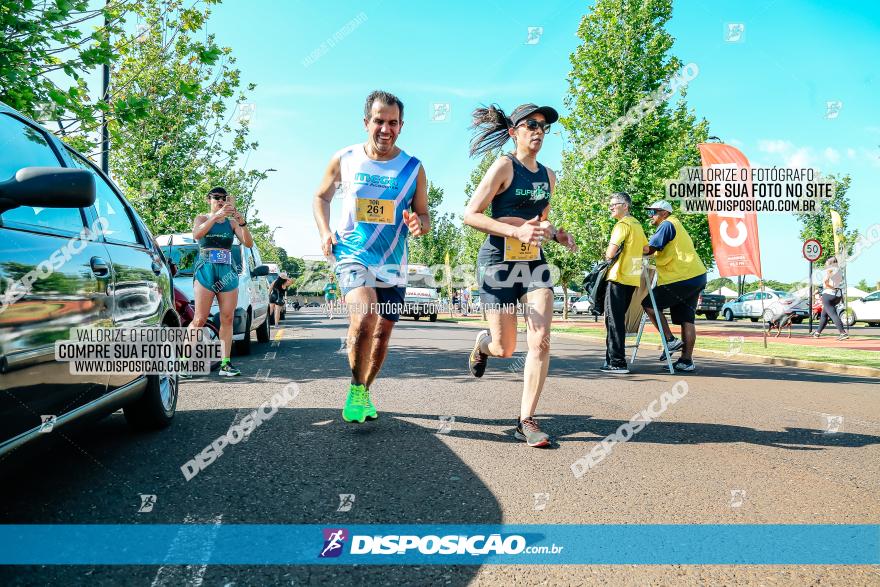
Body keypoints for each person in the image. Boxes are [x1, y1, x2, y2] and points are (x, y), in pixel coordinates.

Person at [312, 90, 430, 423]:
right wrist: (324, 232)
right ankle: (354, 388)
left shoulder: (413, 168)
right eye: (379, 121)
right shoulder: (345, 158)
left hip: (393, 261)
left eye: (393, 122)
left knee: (382, 332)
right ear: (366, 122)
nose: (385, 128)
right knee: (364, 319)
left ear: (401, 126)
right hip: (352, 253)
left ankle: (365, 390)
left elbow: (424, 215)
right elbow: (320, 197)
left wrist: (418, 224)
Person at [463, 103, 576, 448]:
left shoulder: (549, 175)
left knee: (540, 339)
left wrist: (556, 234)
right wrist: (514, 233)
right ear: (514, 131)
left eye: (544, 126)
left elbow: (540, 221)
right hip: (498, 260)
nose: (539, 131)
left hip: (533, 264)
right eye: (531, 124)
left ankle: (526, 419)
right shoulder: (503, 166)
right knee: (505, 348)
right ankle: (483, 344)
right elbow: (470, 215)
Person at [190, 187, 253, 377]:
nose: (220, 200)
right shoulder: (201, 218)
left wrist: (242, 222)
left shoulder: (232, 223)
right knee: (200, 318)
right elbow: (197, 234)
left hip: (227, 270)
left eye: (224, 198)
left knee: (227, 317)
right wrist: (215, 216)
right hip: (206, 269)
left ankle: (226, 364)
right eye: (216, 197)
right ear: (208, 199)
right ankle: (185, 361)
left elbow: (248, 243)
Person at [640, 200, 707, 372]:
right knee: (687, 318)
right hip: (696, 276)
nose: (650, 216)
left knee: (648, 303)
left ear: (664, 213)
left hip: (681, 276)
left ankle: (670, 340)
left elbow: (650, 249)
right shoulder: (676, 224)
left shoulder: (667, 224)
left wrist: (629, 251)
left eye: (653, 212)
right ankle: (686, 361)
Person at [601, 192, 648, 374]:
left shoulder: (622, 225)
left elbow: (610, 253)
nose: (611, 207)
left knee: (613, 320)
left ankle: (617, 362)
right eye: (610, 205)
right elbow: (645, 249)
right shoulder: (637, 224)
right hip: (632, 278)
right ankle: (610, 359)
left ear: (625, 206)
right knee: (617, 319)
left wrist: (609, 255)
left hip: (618, 277)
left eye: (614, 204)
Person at [812, 256, 849, 340]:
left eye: (826, 262)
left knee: (833, 314)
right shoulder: (840, 270)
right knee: (824, 315)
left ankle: (843, 333)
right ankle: (817, 333)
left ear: (830, 262)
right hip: (837, 295)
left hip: (828, 294)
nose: (825, 263)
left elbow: (826, 281)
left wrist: (829, 287)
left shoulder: (830, 270)